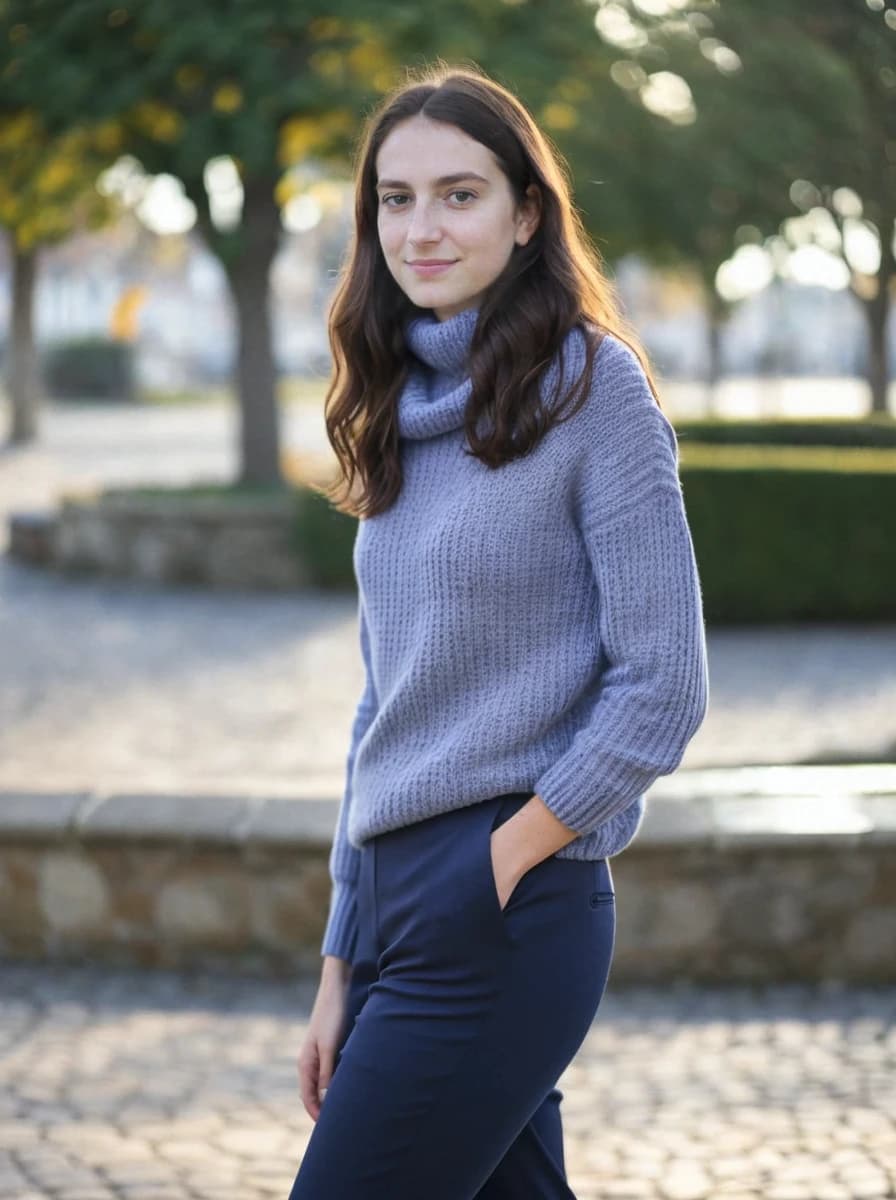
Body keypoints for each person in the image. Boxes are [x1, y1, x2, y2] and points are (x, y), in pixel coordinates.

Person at [287, 61, 709, 1200]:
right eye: (394, 197)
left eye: (458, 194)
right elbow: (387, 702)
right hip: (387, 901)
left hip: (504, 902)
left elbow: (663, 684)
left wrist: (507, 858)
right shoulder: (391, 406)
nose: (420, 227)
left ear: (527, 214)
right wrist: (340, 955)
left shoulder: (593, 393)